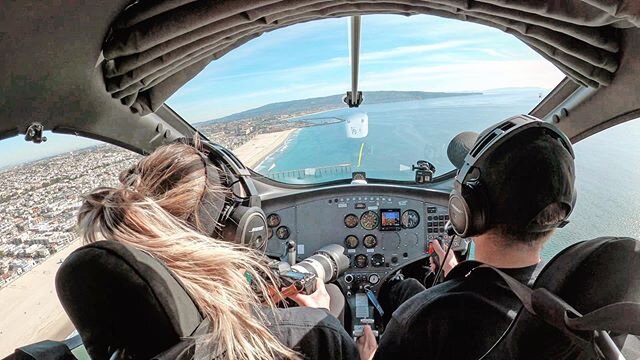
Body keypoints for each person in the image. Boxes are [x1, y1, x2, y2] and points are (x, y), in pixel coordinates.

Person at [77, 139, 358, 360]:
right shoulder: (308, 335)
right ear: (241, 230)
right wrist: (322, 320)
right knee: (333, 296)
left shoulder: (127, 337)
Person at [356, 116, 576, 360]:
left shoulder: (419, 321)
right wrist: (456, 273)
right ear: (564, 210)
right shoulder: (569, 306)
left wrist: (369, 356)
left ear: (468, 212)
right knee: (407, 287)